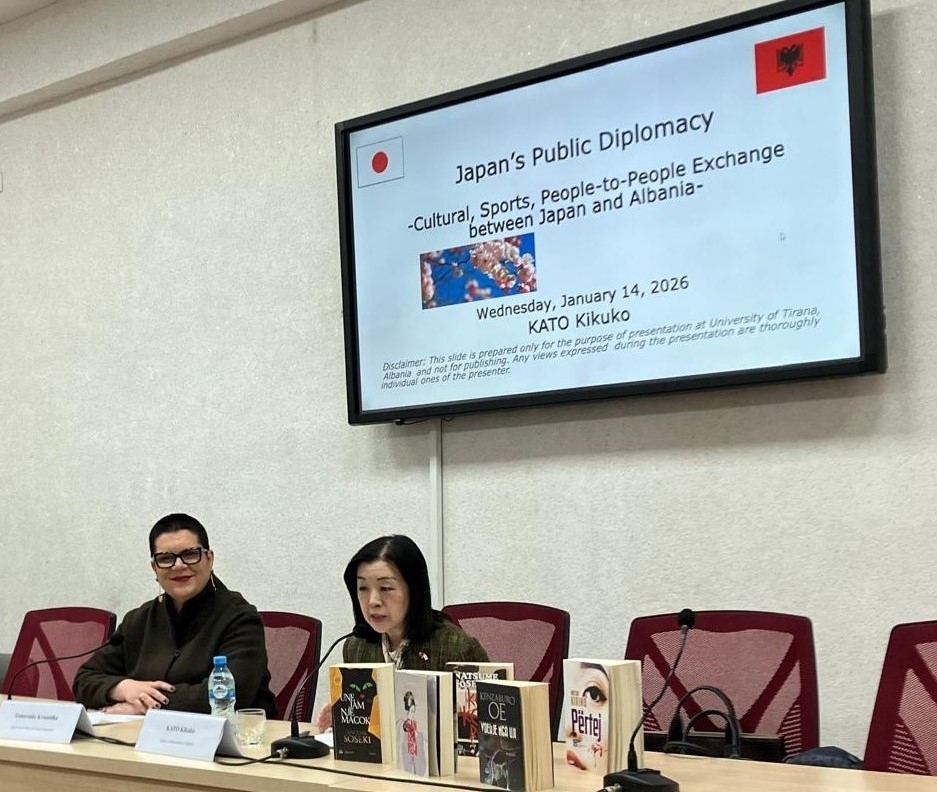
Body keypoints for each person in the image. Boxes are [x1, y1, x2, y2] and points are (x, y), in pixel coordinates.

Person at [72, 513, 276, 717]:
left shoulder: (240, 618)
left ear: (209, 559)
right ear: (154, 568)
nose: (178, 565)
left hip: (232, 734)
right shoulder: (138, 620)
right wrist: (125, 688)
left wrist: (147, 706)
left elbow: (231, 693)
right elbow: (84, 680)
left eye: (190, 554)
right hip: (144, 734)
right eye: (165, 558)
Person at [316, 534, 488, 730]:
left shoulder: (456, 649)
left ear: (413, 590)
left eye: (385, 588)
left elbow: (486, 730)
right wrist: (343, 717)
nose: (373, 601)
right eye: (363, 588)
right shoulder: (357, 648)